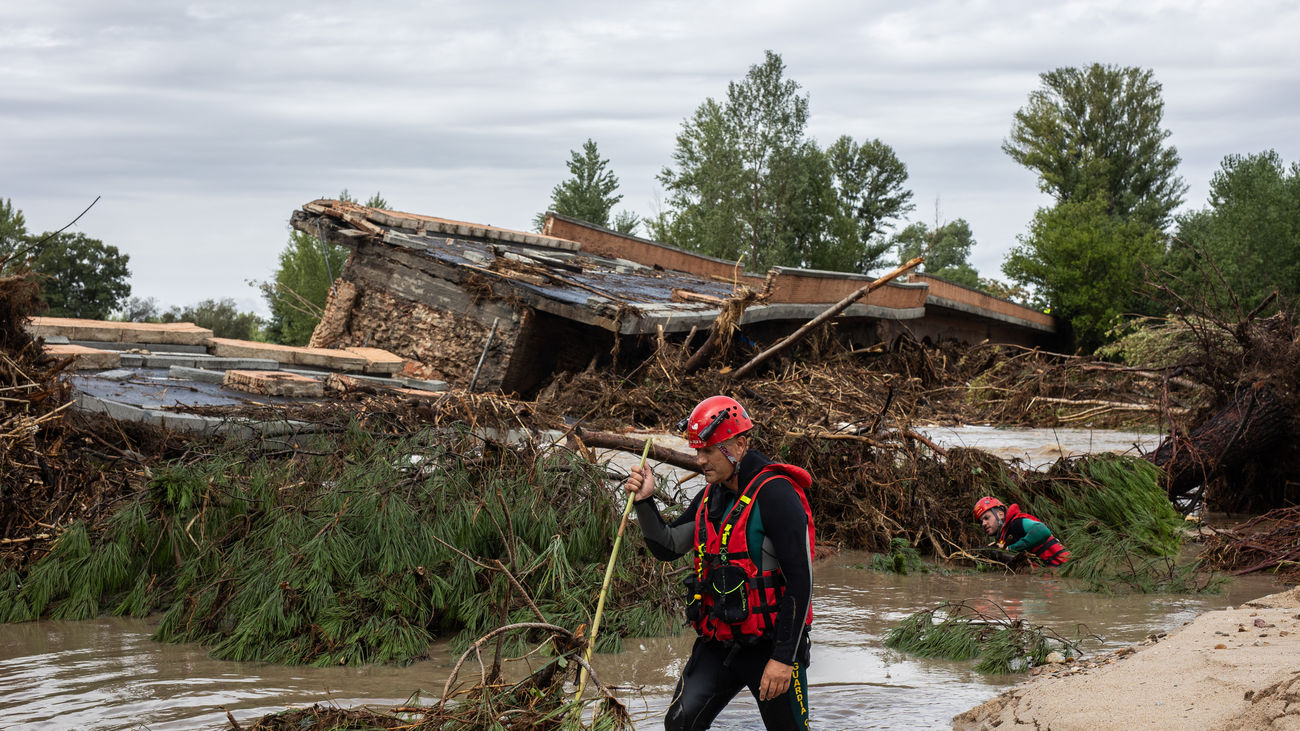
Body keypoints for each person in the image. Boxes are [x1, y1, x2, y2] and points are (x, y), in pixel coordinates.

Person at [624, 395, 814, 731]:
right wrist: (644, 501)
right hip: (719, 644)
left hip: (773, 648)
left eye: (708, 451)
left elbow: (801, 582)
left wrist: (784, 659)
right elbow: (668, 546)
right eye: (697, 450)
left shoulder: (777, 495)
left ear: (739, 446)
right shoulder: (710, 496)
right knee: (680, 723)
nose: (700, 460)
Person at [972, 496, 1070, 566]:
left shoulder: (1016, 523)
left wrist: (1009, 549)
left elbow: (1042, 530)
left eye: (986, 518)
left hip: (1066, 568)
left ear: (1000, 514)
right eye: (981, 522)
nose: (983, 524)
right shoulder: (1004, 536)